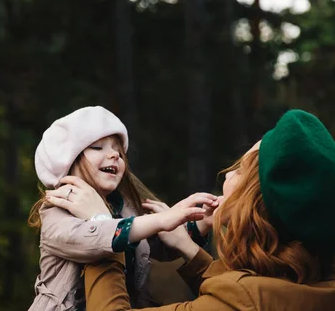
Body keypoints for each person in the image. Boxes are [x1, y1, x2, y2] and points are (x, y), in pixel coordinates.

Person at [61, 109, 335, 310]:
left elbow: (242, 302)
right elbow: (258, 296)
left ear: (256, 211)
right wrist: (191, 252)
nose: (226, 175)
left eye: (240, 170)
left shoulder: (241, 302)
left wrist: (103, 228)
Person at [27, 106, 219, 310]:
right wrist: (160, 219)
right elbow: (90, 240)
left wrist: (197, 223)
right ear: (68, 160)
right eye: (98, 147)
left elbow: (154, 246)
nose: (114, 155)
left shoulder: (123, 208)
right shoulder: (56, 209)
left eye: (118, 150)